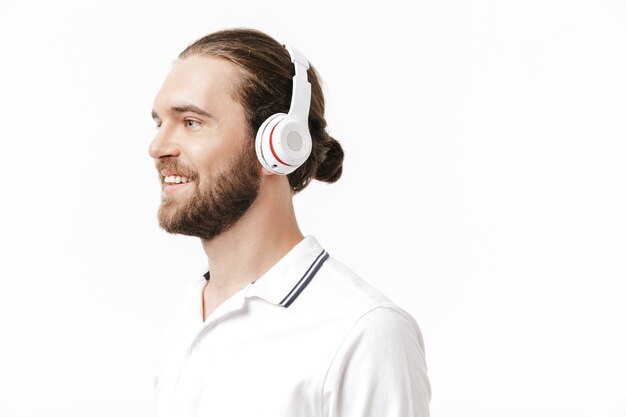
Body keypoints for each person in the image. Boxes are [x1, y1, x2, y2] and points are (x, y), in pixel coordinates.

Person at [148, 28, 431, 417]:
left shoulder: (364, 333)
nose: (158, 147)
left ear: (277, 144)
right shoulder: (190, 313)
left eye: (191, 122)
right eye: (159, 122)